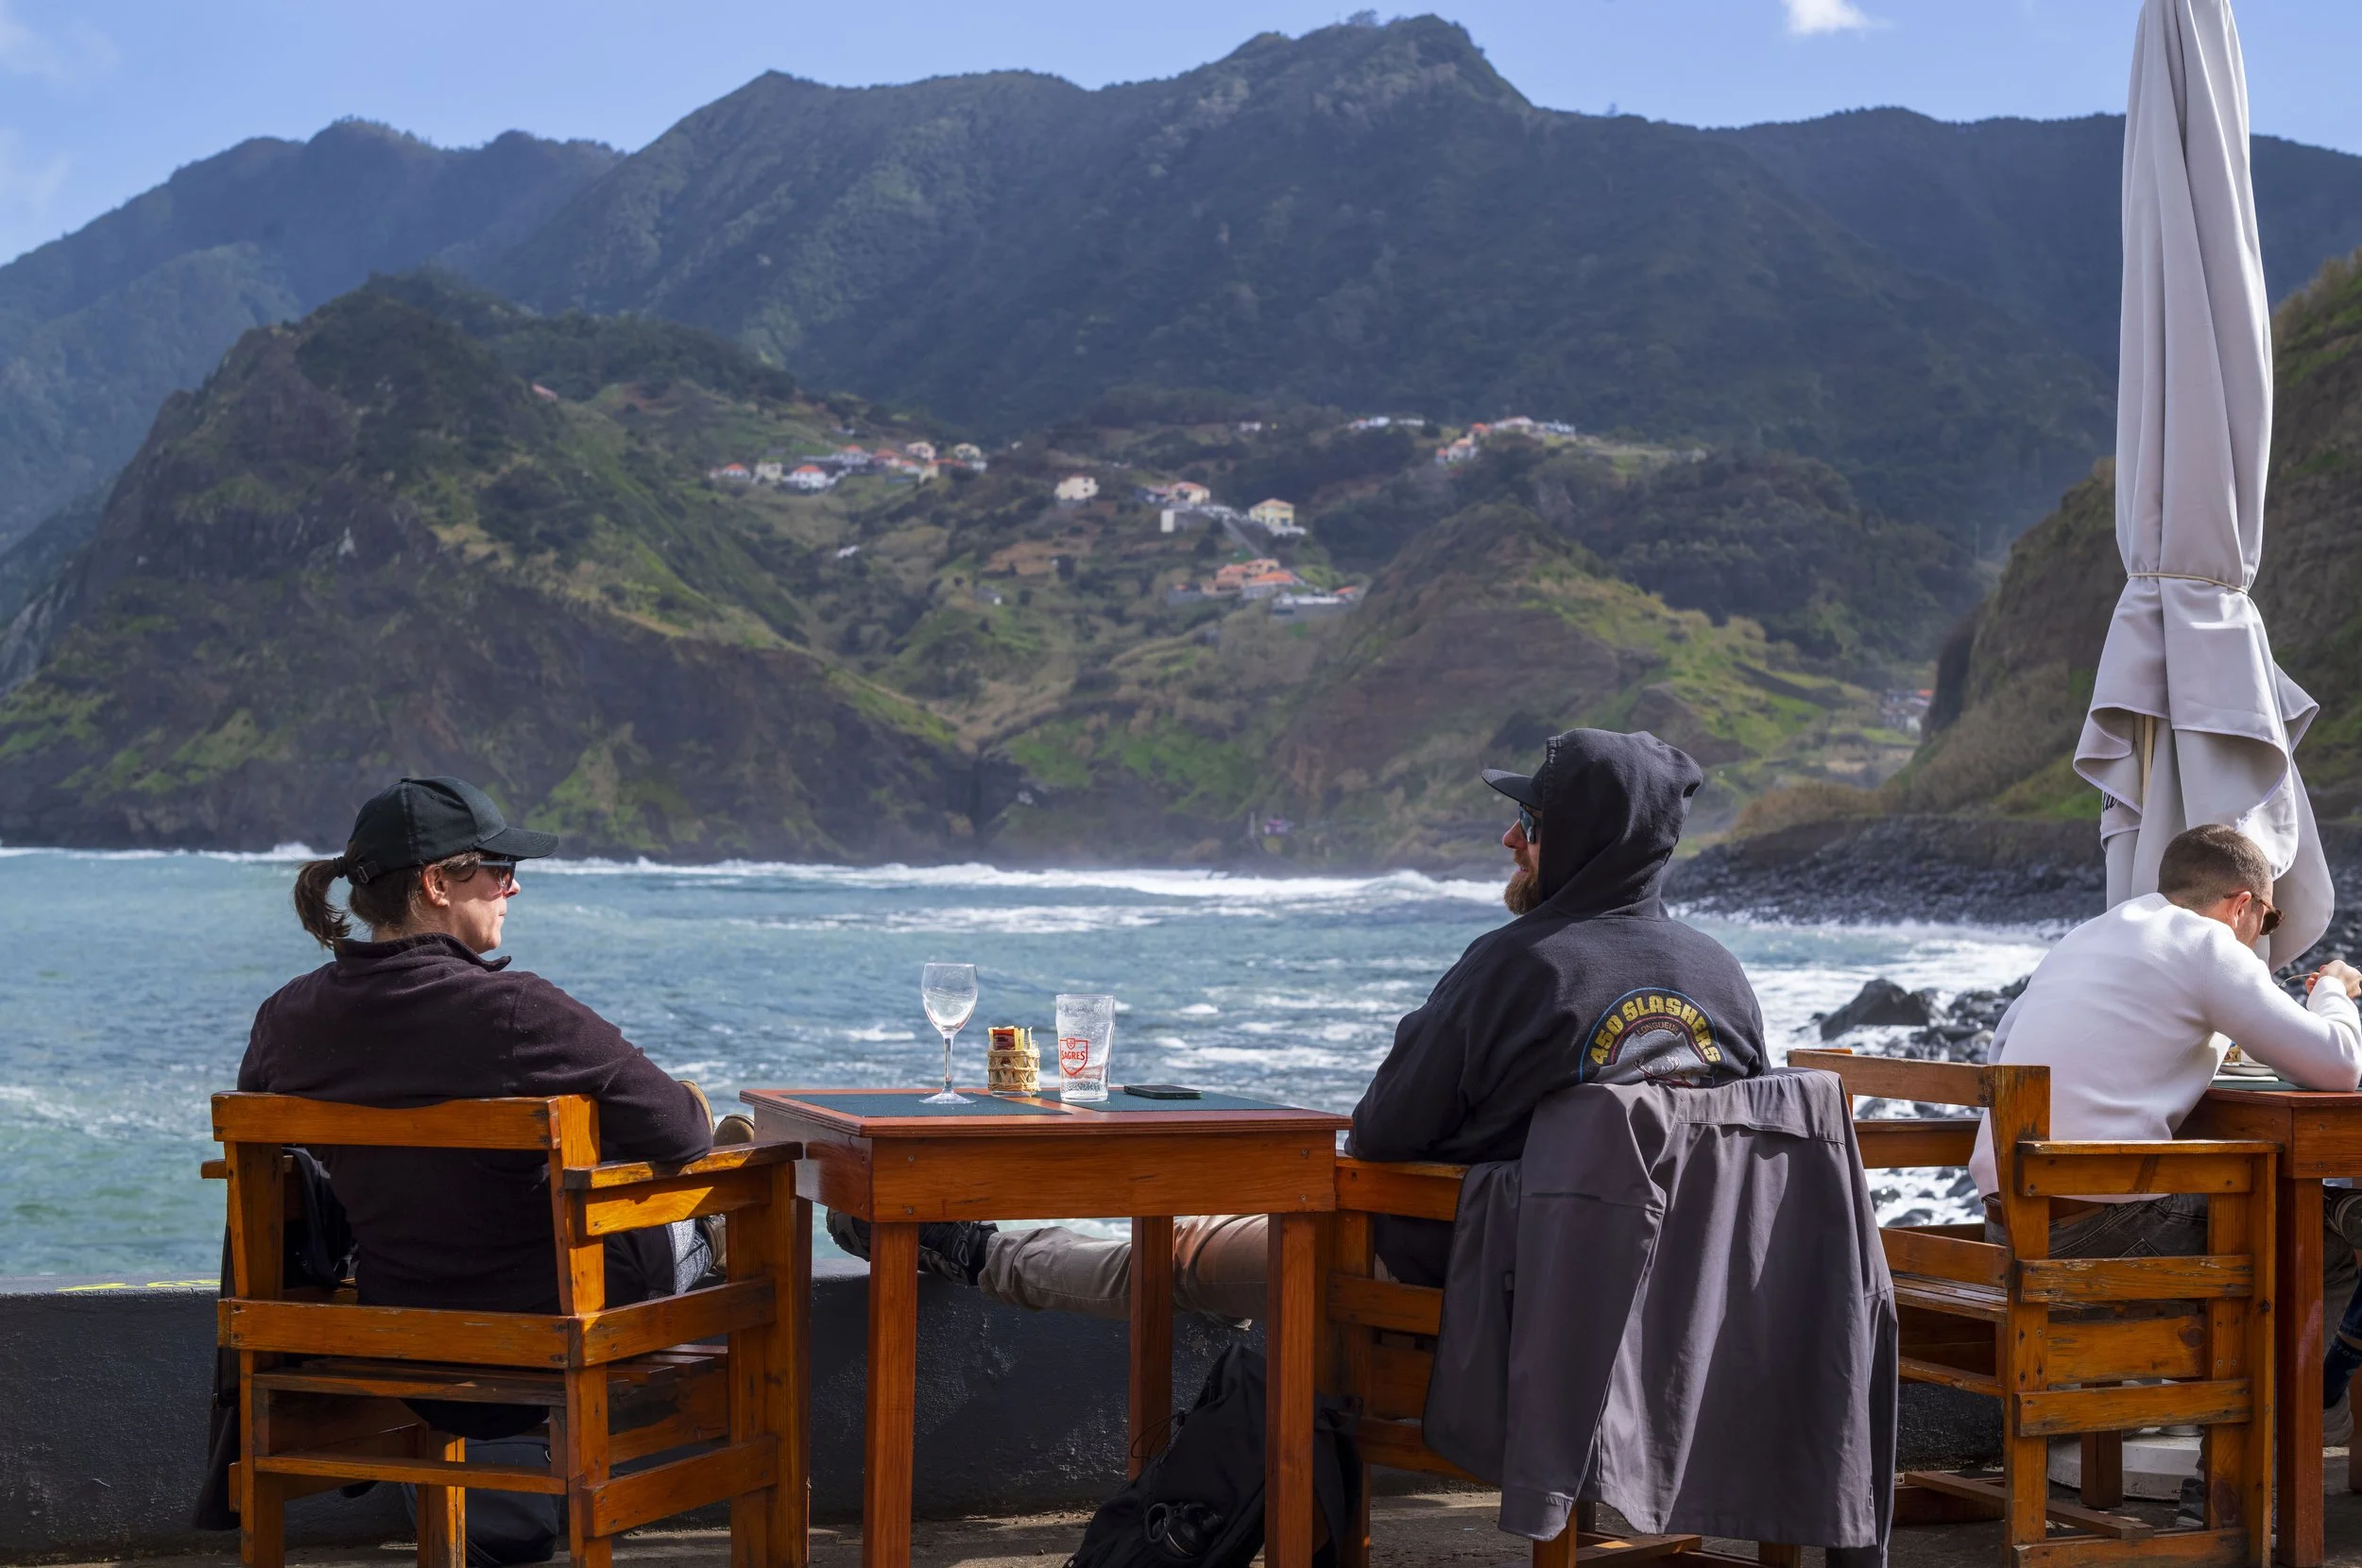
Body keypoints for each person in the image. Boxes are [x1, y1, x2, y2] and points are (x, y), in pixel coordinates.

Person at [828, 727, 1771, 1314]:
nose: (1507, 835)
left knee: (1183, 1257)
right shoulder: (1721, 979)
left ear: (1577, 836)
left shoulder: (1519, 967)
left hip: (1483, 1286)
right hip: (1671, 1298)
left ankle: (976, 1249)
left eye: (1527, 815)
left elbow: (1381, 1132)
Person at [239, 775, 725, 1439]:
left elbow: (278, 1161)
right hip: (551, 1343)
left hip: (396, 1344)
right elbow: (681, 1131)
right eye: (500, 869)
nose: (513, 886)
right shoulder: (516, 1011)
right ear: (437, 884)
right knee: (712, 1202)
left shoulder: (285, 1017)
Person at [1967, 822, 2362, 1440]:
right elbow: (2340, 1065)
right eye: (2270, 920)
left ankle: (2252, 1455)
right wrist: (2335, 991)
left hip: (2008, 1223)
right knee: (2317, 1248)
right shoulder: (2209, 944)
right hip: (2095, 1230)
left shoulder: (2088, 935)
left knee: (2278, 1219)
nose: (2261, 935)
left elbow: (2004, 1048)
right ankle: (2291, 1446)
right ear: (2242, 906)